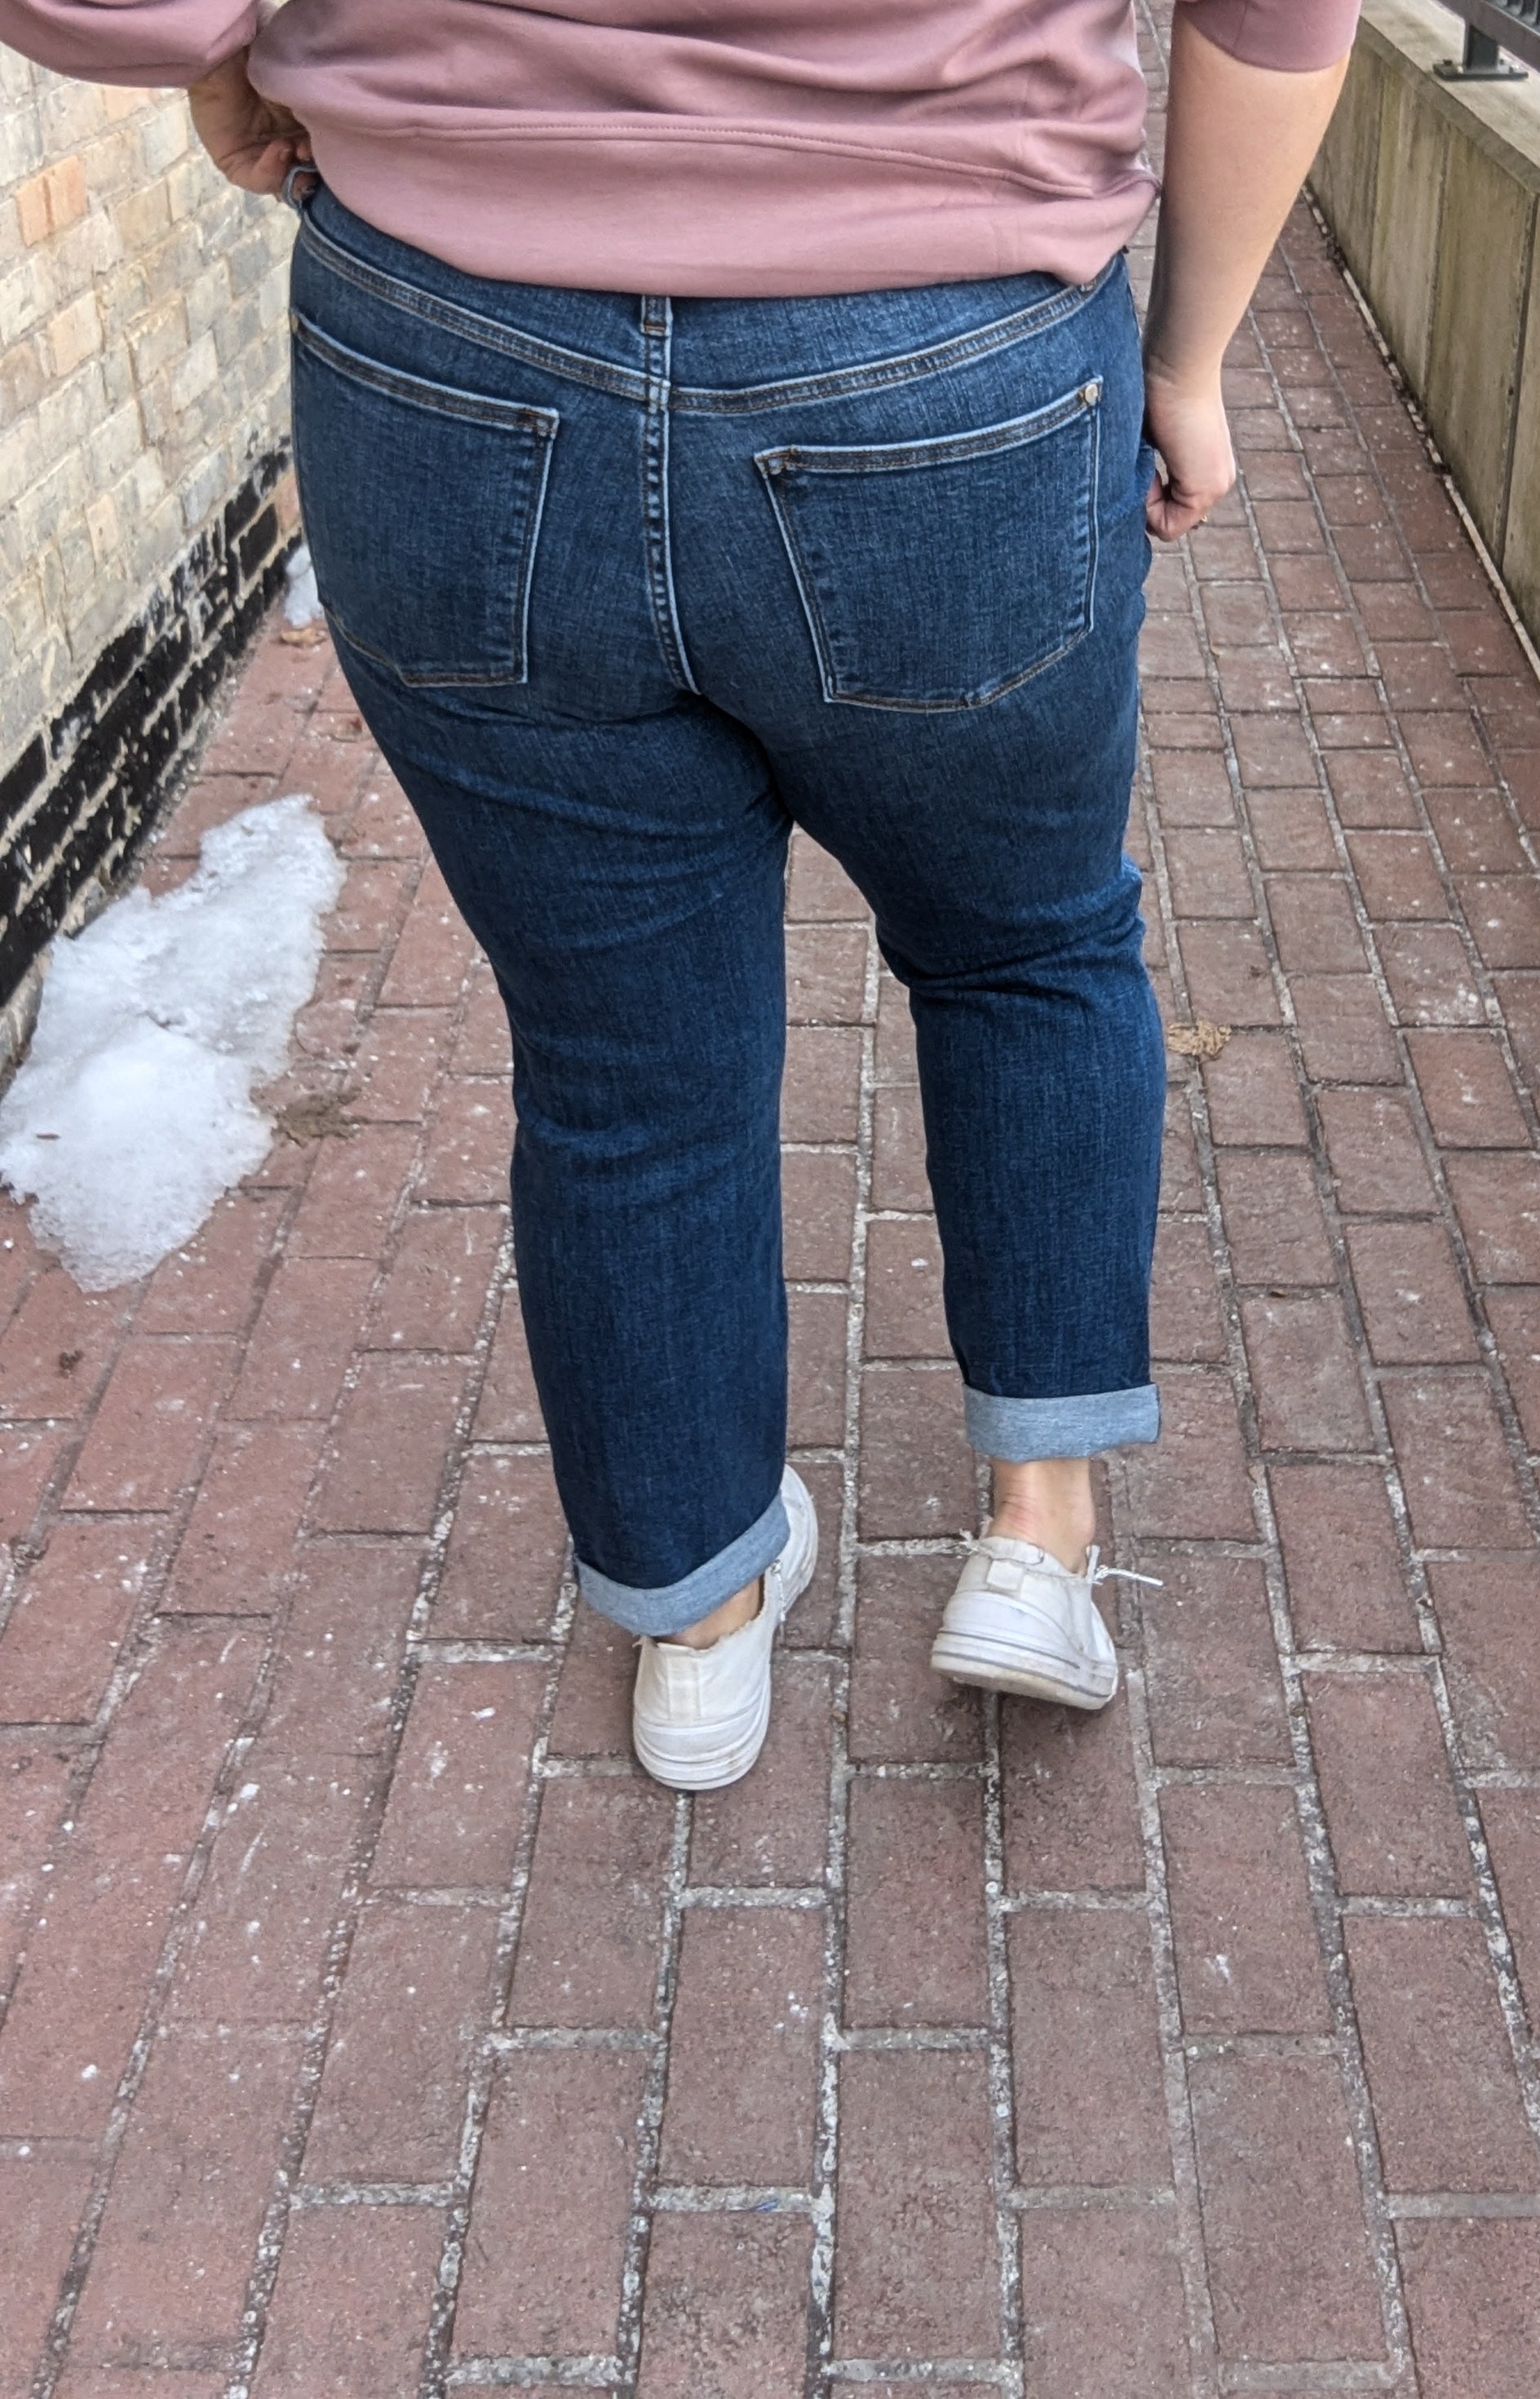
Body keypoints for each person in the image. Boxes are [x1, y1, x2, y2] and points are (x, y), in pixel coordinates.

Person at [1, 0, 1356, 1790]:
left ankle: (697, 1620)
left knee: (622, 1060)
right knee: (1027, 947)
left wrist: (218, 55)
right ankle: (1038, 1538)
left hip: (449, 353)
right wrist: (1186, 358)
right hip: (948, 347)